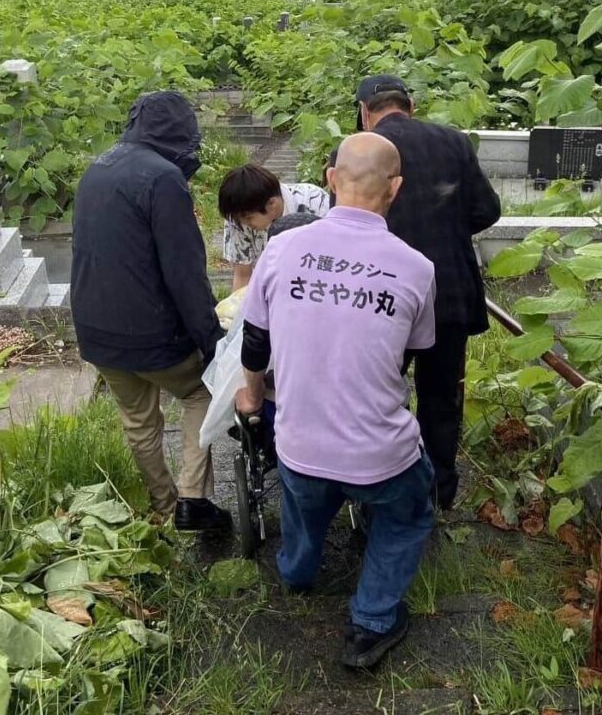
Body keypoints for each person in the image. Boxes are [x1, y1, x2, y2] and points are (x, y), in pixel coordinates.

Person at [235, 133, 437, 669]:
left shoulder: (281, 249)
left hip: (298, 443)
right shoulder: (416, 267)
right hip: (380, 456)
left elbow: (255, 342)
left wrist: (252, 398)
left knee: (303, 498)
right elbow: (405, 360)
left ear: (330, 179)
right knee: (409, 510)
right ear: (395, 188)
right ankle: (371, 621)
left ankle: (298, 572)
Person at [70, 91, 231, 532]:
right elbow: (184, 271)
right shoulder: (162, 178)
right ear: (178, 132)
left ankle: (163, 504)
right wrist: (211, 338)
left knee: (138, 419)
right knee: (201, 394)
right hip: (152, 331)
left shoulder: (97, 167)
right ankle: (193, 502)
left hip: (97, 330)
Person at [352, 75, 501, 510]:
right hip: (447, 293)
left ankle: (376, 487)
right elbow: (487, 210)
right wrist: (445, 228)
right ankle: (438, 492)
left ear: (365, 111)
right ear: (410, 105)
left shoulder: (356, 152)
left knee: (375, 391)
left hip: (379, 297)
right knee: (440, 396)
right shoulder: (453, 143)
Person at [219, 164, 329, 291]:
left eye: (248, 218)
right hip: (270, 288)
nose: (243, 224)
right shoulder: (237, 218)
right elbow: (243, 275)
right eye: (239, 220)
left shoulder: (315, 202)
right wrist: (238, 308)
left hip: (317, 286)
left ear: (272, 204)